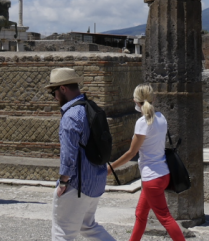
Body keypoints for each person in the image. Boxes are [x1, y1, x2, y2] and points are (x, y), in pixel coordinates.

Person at [107, 84, 186, 241]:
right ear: (154, 99)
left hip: (152, 178)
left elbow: (131, 153)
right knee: (141, 214)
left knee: (165, 218)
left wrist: (111, 167)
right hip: (163, 174)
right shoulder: (161, 118)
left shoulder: (143, 123)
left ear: (135, 101)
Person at [47, 68, 115, 241]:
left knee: (62, 232)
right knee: (88, 226)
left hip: (77, 185)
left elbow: (69, 155)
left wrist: (63, 182)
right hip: (96, 182)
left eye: (53, 92)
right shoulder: (91, 107)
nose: (54, 97)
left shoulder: (70, 116)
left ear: (62, 89)